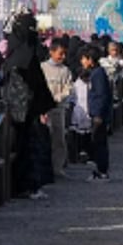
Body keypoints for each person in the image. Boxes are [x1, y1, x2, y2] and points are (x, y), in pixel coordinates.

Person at [3, 12, 57, 199]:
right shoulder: (24, 58)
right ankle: (26, 186)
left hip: (21, 113)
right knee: (28, 149)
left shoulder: (16, 55)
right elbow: (32, 87)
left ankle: (21, 186)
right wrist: (39, 107)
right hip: (26, 115)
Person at [41, 41, 73, 179]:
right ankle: (44, 168)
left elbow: (69, 88)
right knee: (44, 139)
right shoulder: (42, 68)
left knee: (59, 140)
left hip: (58, 109)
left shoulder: (65, 70)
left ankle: (57, 168)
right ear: (51, 52)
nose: (63, 56)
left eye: (64, 54)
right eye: (60, 53)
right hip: (43, 109)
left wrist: (58, 97)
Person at [82, 45, 112, 181]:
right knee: (97, 141)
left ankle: (102, 171)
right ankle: (100, 169)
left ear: (90, 59)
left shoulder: (98, 74)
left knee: (99, 142)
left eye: (84, 58)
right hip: (95, 113)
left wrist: (98, 114)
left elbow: (101, 95)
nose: (82, 62)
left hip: (99, 114)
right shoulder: (95, 73)